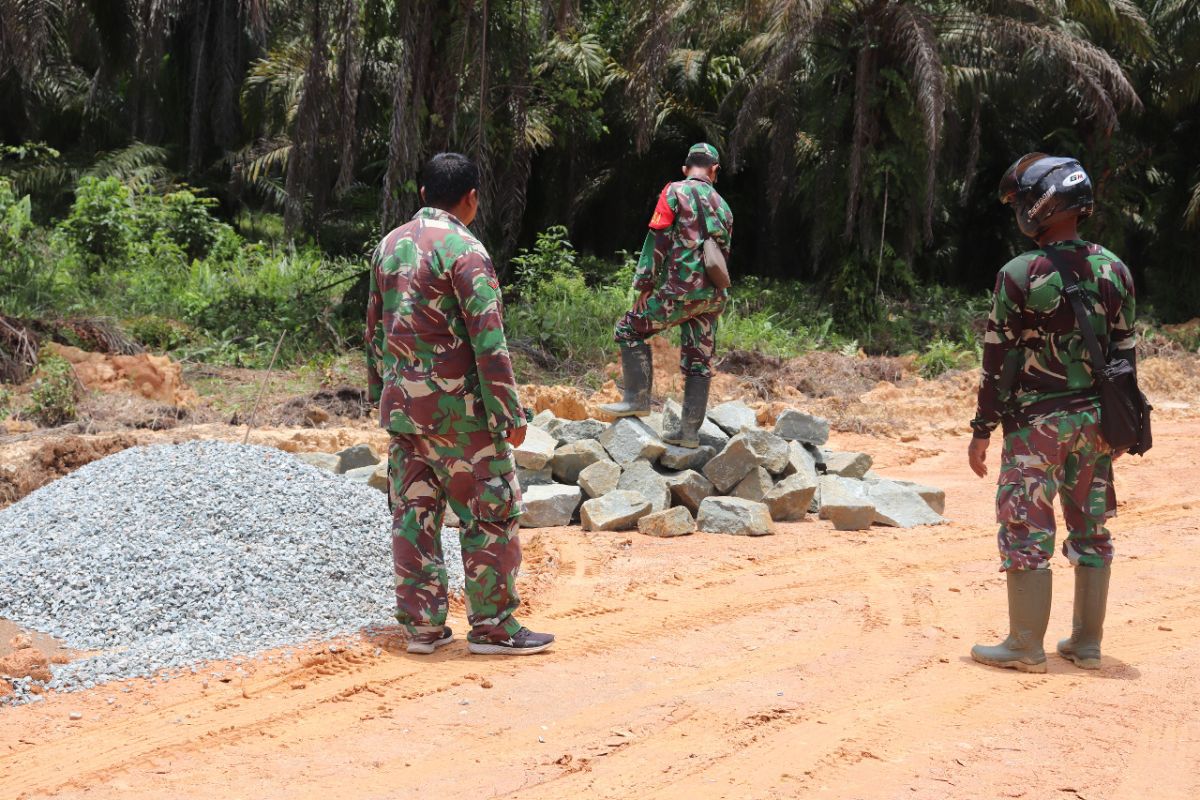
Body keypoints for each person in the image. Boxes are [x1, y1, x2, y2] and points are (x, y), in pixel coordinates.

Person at [366, 152, 554, 656]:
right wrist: (509, 416)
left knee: (414, 514)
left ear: (424, 193)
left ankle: (422, 629)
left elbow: (375, 331)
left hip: (404, 411)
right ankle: (493, 627)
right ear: (472, 197)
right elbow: (489, 341)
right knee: (489, 513)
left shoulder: (389, 246)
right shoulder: (466, 251)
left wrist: (382, 395)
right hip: (461, 416)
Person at [968, 153, 1136, 673]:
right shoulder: (1115, 269)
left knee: (1025, 526)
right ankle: (1086, 644)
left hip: (1036, 426)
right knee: (1091, 529)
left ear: (1040, 205)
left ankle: (1025, 644)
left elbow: (997, 360)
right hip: (1097, 425)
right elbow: (1125, 354)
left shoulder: (1020, 273)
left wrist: (982, 430)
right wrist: (1123, 427)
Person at [599, 142, 733, 448]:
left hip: (679, 293)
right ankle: (688, 433)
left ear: (685, 169)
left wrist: (645, 285)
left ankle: (637, 398)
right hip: (712, 297)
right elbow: (722, 255)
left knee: (628, 329)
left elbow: (656, 239)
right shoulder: (724, 206)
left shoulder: (673, 191)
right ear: (715, 171)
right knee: (699, 361)